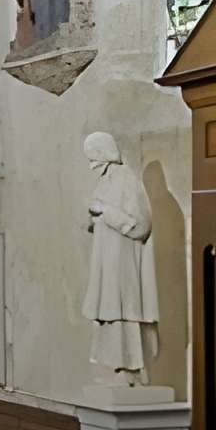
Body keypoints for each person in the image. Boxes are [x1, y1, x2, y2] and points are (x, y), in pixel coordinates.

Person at [83, 129, 158, 379]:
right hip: (106, 260)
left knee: (123, 311)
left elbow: (140, 224)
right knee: (109, 314)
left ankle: (132, 369)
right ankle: (117, 366)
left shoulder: (126, 178)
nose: (91, 164)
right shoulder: (106, 180)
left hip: (122, 261)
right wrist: (94, 219)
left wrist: (105, 212)